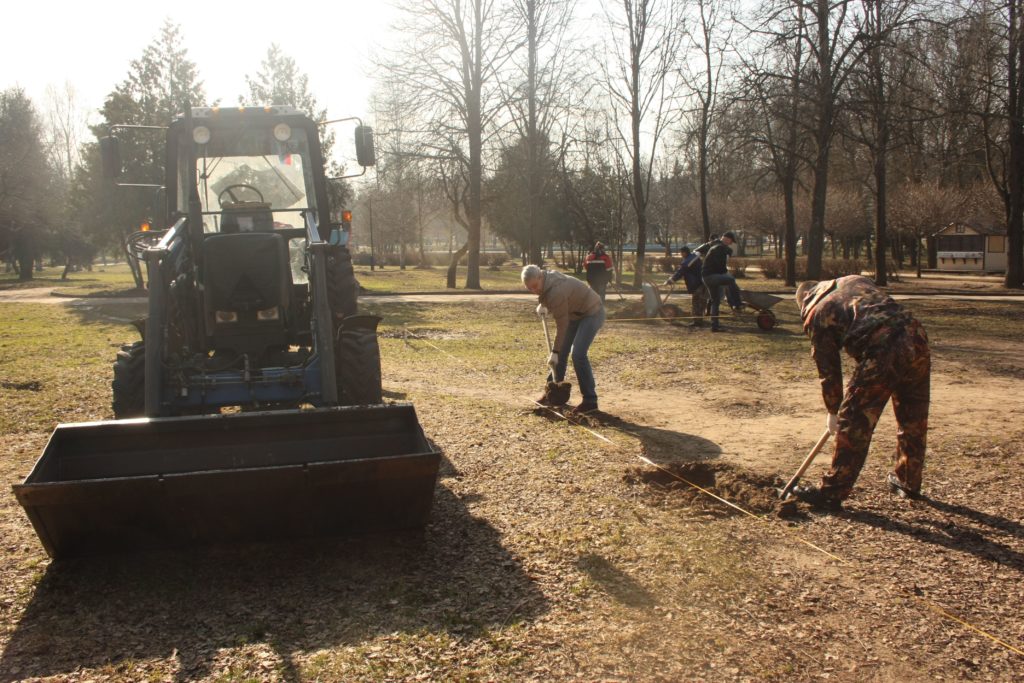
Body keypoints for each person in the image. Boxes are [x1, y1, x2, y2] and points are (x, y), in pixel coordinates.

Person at [791, 275, 931, 510]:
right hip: (916, 335)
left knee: (854, 420)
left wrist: (834, 411)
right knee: (913, 415)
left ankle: (831, 492)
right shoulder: (852, 281)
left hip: (883, 347)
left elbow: (828, 369)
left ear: (805, 299)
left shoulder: (816, 312)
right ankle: (908, 480)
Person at [522, 264, 605, 414]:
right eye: (530, 288)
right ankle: (551, 393)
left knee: (578, 354)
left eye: (535, 286)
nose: (534, 290)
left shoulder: (556, 292)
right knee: (561, 353)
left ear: (540, 276)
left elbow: (562, 325)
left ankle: (590, 401)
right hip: (574, 313)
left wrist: (554, 351)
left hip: (592, 312)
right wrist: (543, 303)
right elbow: (547, 292)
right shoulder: (547, 278)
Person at [695, 231, 743, 332]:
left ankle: (714, 326)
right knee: (730, 280)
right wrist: (725, 273)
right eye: (730, 241)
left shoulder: (715, 245)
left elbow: (699, 250)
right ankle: (737, 304)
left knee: (715, 301)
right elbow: (721, 266)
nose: (730, 244)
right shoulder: (720, 248)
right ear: (727, 239)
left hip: (706, 277)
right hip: (711, 276)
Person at [664, 245, 708, 327]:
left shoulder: (688, 261)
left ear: (684, 252)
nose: (681, 254)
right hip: (703, 283)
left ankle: (697, 321)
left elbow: (680, 272)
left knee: (696, 302)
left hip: (696, 284)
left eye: (681, 253)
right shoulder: (695, 258)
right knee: (702, 302)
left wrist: (671, 280)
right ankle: (700, 320)